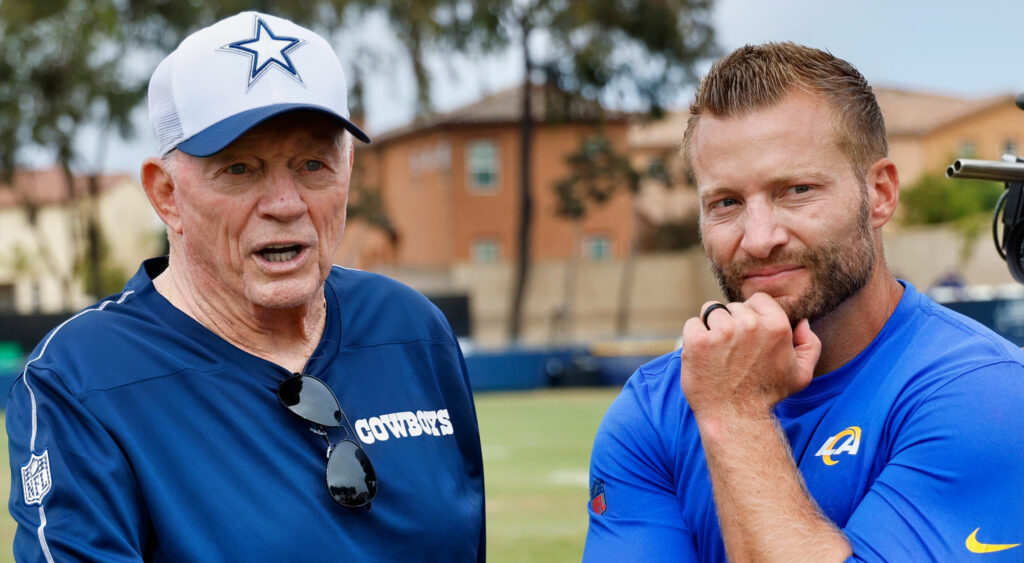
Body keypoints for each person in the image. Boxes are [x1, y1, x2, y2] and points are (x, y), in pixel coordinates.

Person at [7, 11, 485, 562]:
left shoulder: (411, 329)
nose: (285, 204)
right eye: (240, 169)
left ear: (349, 170)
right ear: (166, 194)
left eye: (313, 164)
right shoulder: (81, 377)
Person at [584, 42, 1024, 561]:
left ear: (880, 193)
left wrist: (737, 415)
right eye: (726, 203)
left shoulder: (988, 394)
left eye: (796, 190)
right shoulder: (652, 410)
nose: (759, 238)